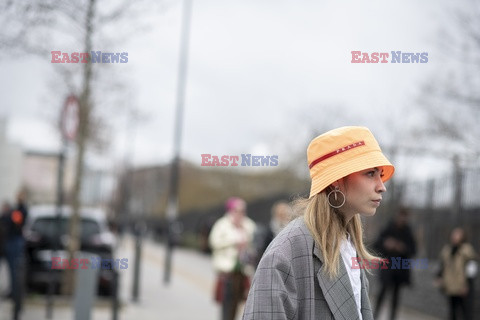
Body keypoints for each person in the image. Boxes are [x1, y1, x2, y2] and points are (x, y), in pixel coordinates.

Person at [242, 126, 395, 320]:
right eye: (370, 173)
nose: (382, 187)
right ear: (337, 180)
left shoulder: (347, 245)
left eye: (380, 174)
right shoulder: (286, 252)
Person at [209, 197, 257, 320]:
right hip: (227, 272)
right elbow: (214, 242)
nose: (240, 213)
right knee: (227, 306)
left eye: (242, 210)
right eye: (237, 210)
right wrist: (233, 242)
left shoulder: (248, 225)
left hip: (243, 271)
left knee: (242, 305)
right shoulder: (222, 224)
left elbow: (255, 242)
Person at [373, 207, 416, 320]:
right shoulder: (389, 228)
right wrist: (386, 244)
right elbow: (376, 244)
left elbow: (413, 250)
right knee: (382, 292)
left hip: (400, 269)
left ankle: (392, 317)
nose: (402, 219)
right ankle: (374, 316)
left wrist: (402, 248)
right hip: (387, 266)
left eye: (404, 217)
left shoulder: (408, 231)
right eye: (400, 216)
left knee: (396, 296)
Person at [436, 227, 478, 320]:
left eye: (458, 234)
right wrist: (439, 277)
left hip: (463, 287)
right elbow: (442, 265)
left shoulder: (467, 250)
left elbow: (472, 269)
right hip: (451, 286)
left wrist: (467, 285)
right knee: (452, 312)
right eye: (454, 234)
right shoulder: (447, 250)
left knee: (466, 312)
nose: (455, 237)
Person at [2, 191, 28, 320]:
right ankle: (13, 293)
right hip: (11, 243)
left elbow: (16, 222)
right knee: (13, 271)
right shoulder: (16, 209)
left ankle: (16, 297)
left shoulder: (21, 210)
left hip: (15, 243)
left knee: (16, 271)